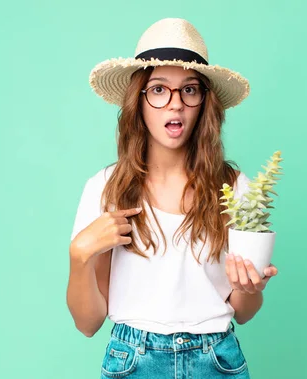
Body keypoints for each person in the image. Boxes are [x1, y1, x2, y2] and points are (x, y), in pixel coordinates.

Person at [66, 18, 279, 379]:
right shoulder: (106, 189)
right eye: (159, 89)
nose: (175, 104)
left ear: (204, 103)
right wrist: (79, 256)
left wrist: (250, 288)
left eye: (189, 90)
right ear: (140, 100)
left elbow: (243, 311)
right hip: (133, 361)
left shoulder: (232, 188)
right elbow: (88, 324)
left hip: (217, 360)